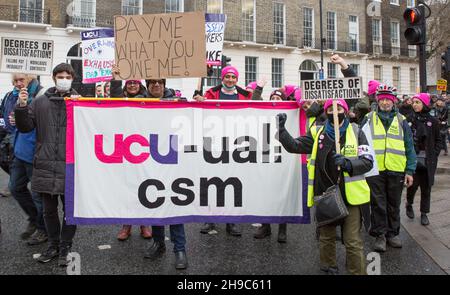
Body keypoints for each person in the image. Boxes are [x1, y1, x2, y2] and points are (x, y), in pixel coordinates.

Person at [276, 99, 373, 275]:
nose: (334, 112)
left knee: (352, 241)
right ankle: (328, 267)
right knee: (326, 237)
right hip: (325, 194)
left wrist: (348, 164)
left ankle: (356, 271)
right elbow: (294, 146)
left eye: (338, 108)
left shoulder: (356, 131)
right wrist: (282, 133)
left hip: (351, 196)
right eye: (330, 108)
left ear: (345, 110)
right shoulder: (317, 132)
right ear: (326, 111)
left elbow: (368, 162)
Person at [15, 63, 79, 266]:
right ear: (53, 78)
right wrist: (21, 106)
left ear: (72, 79)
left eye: (67, 76)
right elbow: (25, 127)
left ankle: (65, 246)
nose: (64, 79)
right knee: (48, 211)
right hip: (45, 165)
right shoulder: (40, 102)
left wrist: (112, 84)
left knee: (70, 212)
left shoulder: (80, 102)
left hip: (71, 166)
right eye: (60, 76)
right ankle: (53, 244)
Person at [193, 65, 255, 237]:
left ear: (237, 79)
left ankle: (232, 221)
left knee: (234, 182)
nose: (230, 80)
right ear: (222, 78)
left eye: (233, 77)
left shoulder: (245, 95)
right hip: (213, 142)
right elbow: (200, 109)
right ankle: (210, 219)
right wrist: (199, 101)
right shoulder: (211, 94)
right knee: (211, 181)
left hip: (236, 144)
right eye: (227, 76)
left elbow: (256, 111)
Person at [361, 84, 416, 252]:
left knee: (394, 203)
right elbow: (361, 143)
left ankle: (392, 233)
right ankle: (380, 235)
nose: (385, 103)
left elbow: (409, 146)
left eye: (388, 100)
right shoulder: (369, 118)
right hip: (374, 169)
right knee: (378, 203)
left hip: (396, 168)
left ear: (394, 102)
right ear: (377, 101)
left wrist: (410, 170)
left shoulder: (402, 120)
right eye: (382, 99)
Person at [110, 65, 152, 241]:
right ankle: (126, 225)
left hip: (144, 148)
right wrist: (115, 78)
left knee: (143, 188)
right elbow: (114, 95)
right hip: (124, 148)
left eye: (135, 82)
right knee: (126, 188)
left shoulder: (148, 99)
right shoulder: (121, 98)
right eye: (130, 83)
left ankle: (144, 224)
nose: (133, 85)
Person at [5, 74, 48, 245]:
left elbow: (46, 121)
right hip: (19, 150)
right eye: (15, 81)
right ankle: (35, 219)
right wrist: (13, 121)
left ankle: (43, 229)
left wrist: (24, 112)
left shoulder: (42, 94)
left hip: (34, 152)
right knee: (15, 188)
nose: (18, 83)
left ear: (30, 77)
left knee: (38, 195)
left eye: (21, 80)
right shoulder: (12, 95)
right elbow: (10, 124)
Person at [254, 89, 288, 242]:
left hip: (284, 160)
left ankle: (282, 228)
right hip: (266, 157)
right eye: (272, 97)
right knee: (265, 193)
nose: (275, 100)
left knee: (283, 194)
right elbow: (253, 102)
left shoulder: (289, 114)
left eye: (278, 98)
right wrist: (258, 88)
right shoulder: (264, 112)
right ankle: (265, 226)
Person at [406, 93, 442, 226]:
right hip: (413, 160)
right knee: (412, 186)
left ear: (425, 104)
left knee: (426, 189)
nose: (414, 105)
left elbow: (438, 140)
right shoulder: (409, 119)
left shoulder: (432, 121)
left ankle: (424, 213)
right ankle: (409, 204)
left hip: (428, 161)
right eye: (414, 102)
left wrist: (434, 153)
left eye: (418, 102)